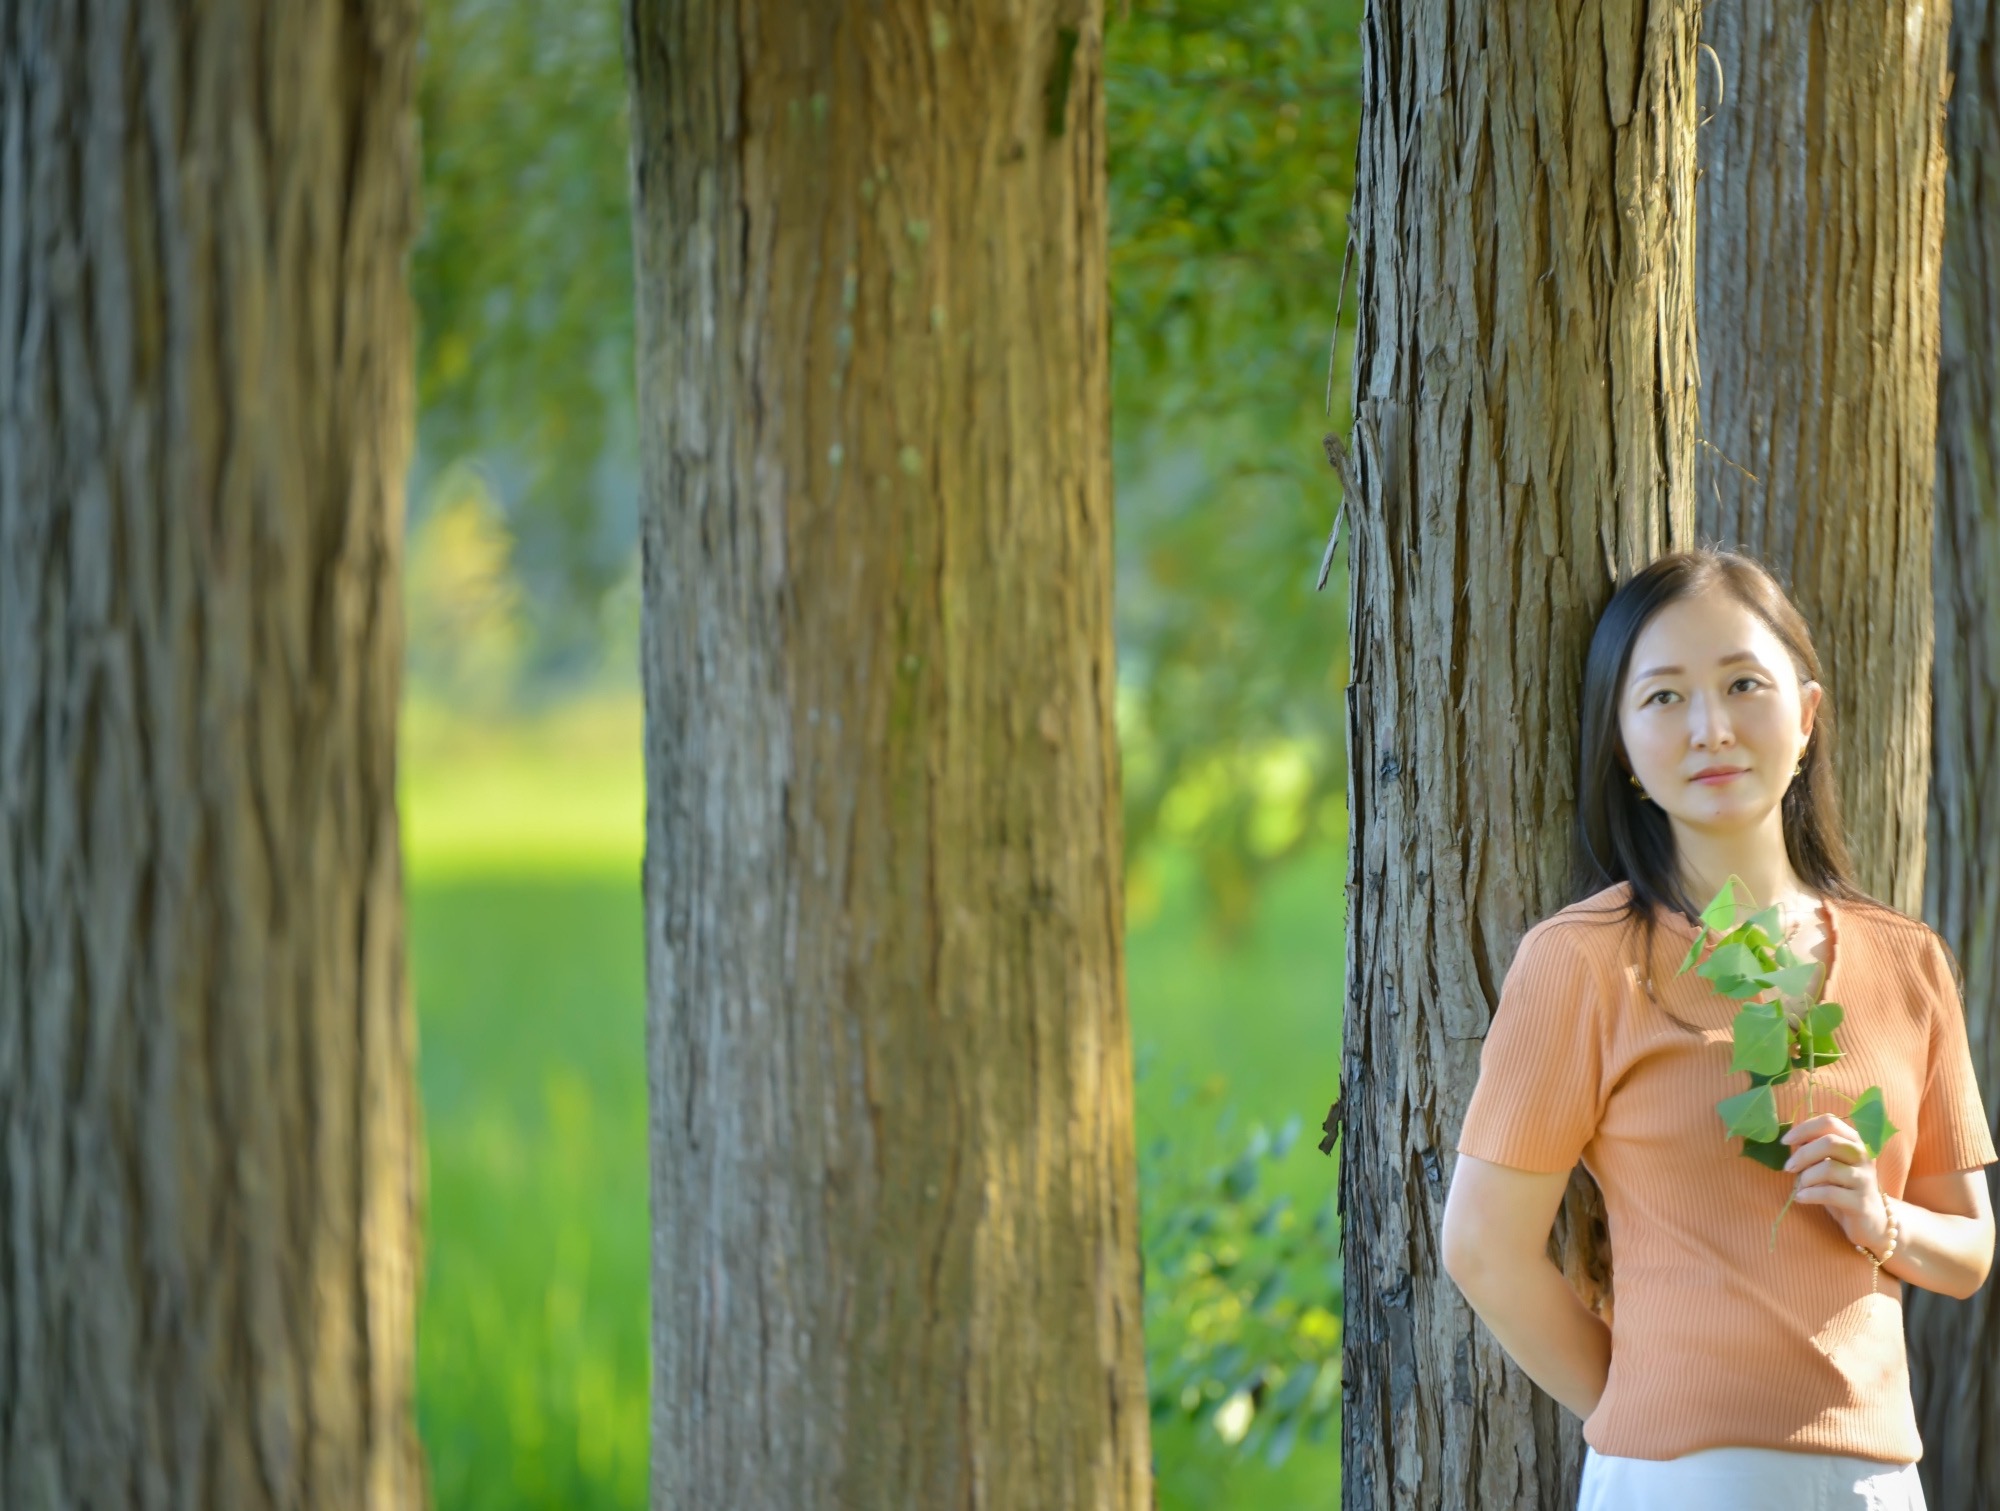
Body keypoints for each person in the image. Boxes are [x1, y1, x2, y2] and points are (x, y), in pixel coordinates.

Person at [1440, 548, 1997, 1511]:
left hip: (1876, 1481)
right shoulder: (1585, 960)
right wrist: (1636, 1403)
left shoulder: (1907, 961)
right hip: (1679, 1480)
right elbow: (1483, 1245)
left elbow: (1970, 1247)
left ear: (1807, 714)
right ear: (1620, 742)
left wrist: (1880, 1218)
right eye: (1663, 698)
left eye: (1745, 683)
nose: (1712, 728)